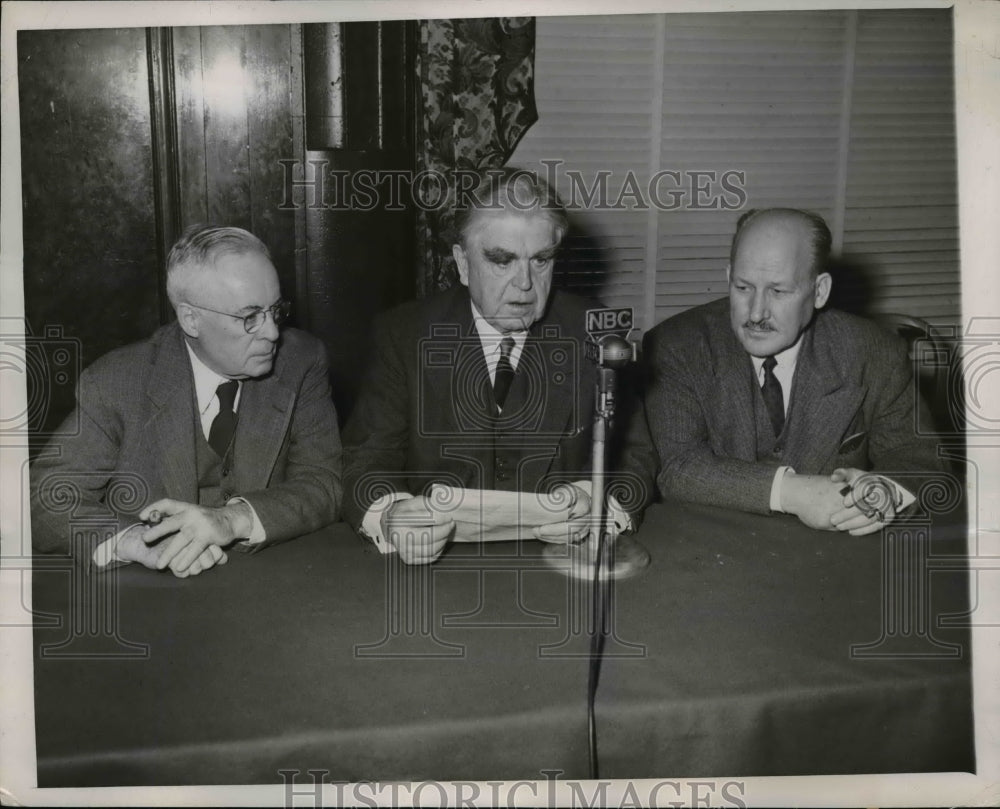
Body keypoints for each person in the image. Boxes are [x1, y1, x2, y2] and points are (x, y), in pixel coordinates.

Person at [342, 168, 646, 564]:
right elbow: (365, 462)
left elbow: (638, 455)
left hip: (563, 565)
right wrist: (392, 515)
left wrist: (599, 505)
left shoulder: (595, 333)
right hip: (438, 573)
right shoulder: (404, 335)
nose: (525, 283)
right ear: (463, 264)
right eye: (502, 261)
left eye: (540, 260)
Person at [30, 225, 343, 577]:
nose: (272, 333)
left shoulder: (301, 360)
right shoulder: (117, 382)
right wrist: (134, 539)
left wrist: (231, 519)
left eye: (276, 311)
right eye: (250, 317)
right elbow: (44, 499)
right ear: (191, 319)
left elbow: (324, 482)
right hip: (158, 604)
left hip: (273, 587)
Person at [642, 207, 943, 535]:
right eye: (743, 288)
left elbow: (919, 458)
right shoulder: (677, 345)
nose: (756, 313)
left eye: (778, 291)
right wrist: (793, 493)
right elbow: (678, 467)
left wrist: (884, 490)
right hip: (709, 550)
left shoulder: (873, 351)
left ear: (819, 291)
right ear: (728, 277)